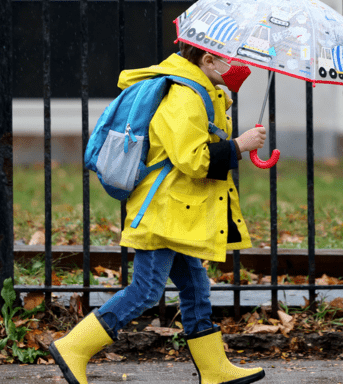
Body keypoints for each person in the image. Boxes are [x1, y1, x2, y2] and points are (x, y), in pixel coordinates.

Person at [49, 41, 267, 384]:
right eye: (233, 60)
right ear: (209, 60)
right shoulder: (184, 96)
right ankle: (74, 346)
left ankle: (214, 369)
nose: (241, 66)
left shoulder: (200, 92)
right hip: (163, 210)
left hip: (178, 212)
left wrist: (224, 111)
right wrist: (239, 145)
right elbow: (193, 160)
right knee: (146, 290)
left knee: (196, 288)